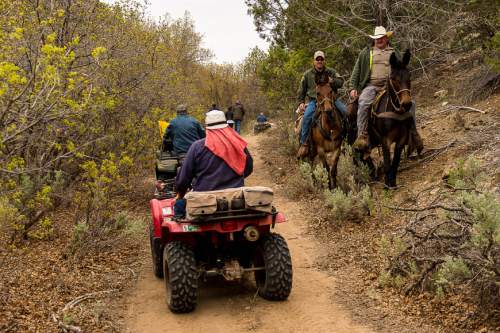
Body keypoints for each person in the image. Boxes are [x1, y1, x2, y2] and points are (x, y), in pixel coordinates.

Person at [350, 26, 423, 152]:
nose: (379, 40)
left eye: (382, 38)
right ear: (374, 39)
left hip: (391, 87)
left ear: (386, 38)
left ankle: (413, 134)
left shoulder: (394, 52)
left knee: (411, 104)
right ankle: (362, 135)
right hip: (372, 86)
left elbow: (402, 69)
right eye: (377, 38)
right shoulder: (366, 53)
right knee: (363, 103)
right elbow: (356, 71)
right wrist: (353, 87)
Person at [176, 110, 253, 198]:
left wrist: (180, 193)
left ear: (207, 127)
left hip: (204, 200)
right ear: (226, 125)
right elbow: (249, 167)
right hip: (235, 197)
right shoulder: (237, 143)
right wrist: (235, 179)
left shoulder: (197, 147)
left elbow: (184, 177)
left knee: (178, 207)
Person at [297, 50, 347, 158]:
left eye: (321, 59)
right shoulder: (307, 75)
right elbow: (301, 90)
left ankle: (347, 140)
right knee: (306, 118)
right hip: (314, 100)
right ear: (314, 61)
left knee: (346, 112)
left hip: (332, 99)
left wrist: (332, 81)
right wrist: (301, 102)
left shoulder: (331, 72)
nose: (319, 61)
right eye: (317, 59)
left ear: (324, 61)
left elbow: (341, 82)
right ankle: (304, 143)